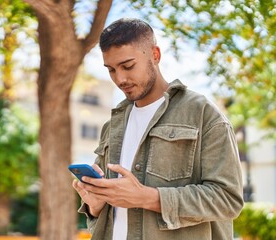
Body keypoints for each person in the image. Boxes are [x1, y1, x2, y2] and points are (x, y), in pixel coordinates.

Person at [72, 18, 244, 240]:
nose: (120, 78)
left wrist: (146, 197)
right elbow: (109, 217)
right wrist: (96, 205)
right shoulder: (112, 126)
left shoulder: (202, 114)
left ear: (155, 55)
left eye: (128, 66)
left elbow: (228, 200)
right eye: (111, 70)